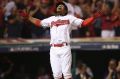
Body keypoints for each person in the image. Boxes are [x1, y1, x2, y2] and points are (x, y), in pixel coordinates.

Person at [23, 1, 101, 79]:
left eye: (62, 6)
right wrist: (29, 17)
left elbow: (83, 23)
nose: (59, 6)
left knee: (67, 75)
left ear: (66, 10)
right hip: (53, 49)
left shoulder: (69, 18)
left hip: (64, 48)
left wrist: (93, 17)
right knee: (57, 76)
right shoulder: (52, 19)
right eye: (58, 6)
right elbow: (39, 22)